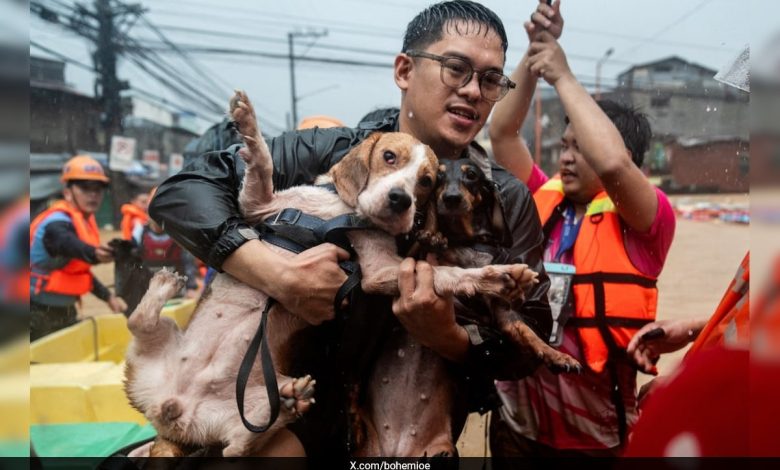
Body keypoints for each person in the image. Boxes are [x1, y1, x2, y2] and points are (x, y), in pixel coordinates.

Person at [150, 0, 552, 458]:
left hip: (410, 447)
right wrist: (278, 275)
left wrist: (449, 337)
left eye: (491, 79)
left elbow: (531, 338)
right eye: (456, 68)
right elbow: (181, 193)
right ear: (404, 70)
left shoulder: (504, 196)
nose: (474, 91)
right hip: (275, 413)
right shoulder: (332, 152)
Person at [488, 1, 676, 459]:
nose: (567, 157)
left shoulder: (648, 222)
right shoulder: (537, 195)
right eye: (565, 145)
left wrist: (564, 76)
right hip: (516, 428)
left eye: (581, 148)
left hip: (594, 442)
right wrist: (535, 56)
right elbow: (502, 134)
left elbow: (613, 162)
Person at [30, 155, 127, 340]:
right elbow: (65, 242)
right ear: (67, 192)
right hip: (34, 313)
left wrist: (108, 297)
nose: (93, 195)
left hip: (63, 311)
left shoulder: (83, 221)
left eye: (98, 189)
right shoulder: (56, 223)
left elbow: (77, 271)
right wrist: (94, 253)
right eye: (85, 188)